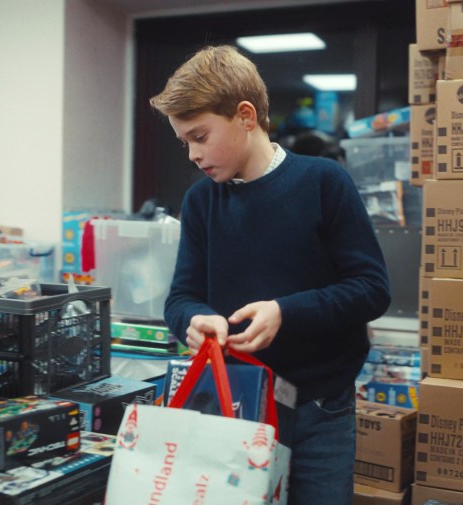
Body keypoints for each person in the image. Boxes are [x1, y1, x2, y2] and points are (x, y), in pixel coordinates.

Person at [153, 45, 391, 504]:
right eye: (184, 142)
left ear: (245, 116)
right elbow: (181, 298)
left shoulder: (324, 182)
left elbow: (371, 289)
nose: (192, 154)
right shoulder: (202, 202)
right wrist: (194, 321)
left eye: (200, 136)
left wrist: (286, 311)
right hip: (236, 406)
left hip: (321, 408)